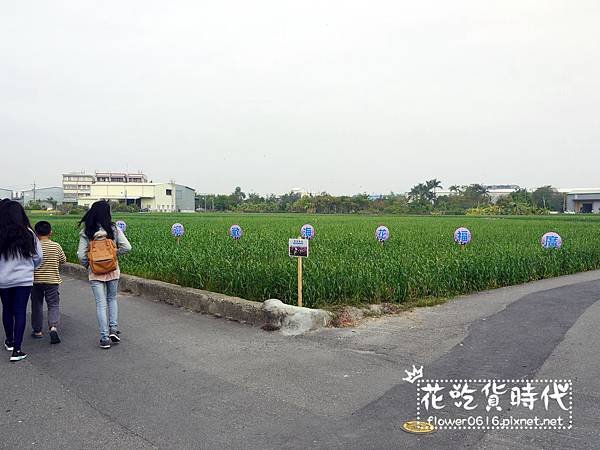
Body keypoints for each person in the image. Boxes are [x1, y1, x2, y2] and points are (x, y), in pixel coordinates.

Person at [77, 200, 131, 349]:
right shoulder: (113, 229)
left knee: (100, 304)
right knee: (112, 299)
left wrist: (89, 264)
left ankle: (104, 337)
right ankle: (113, 329)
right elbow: (127, 247)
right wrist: (114, 255)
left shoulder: (87, 231)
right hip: (113, 270)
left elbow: (80, 255)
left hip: (95, 272)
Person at [0, 201, 43, 362]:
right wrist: (30, 267)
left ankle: (9, 341)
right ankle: (17, 350)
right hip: (23, 280)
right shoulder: (29, 233)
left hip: (3, 279)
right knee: (20, 312)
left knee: (7, 309)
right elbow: (39, 257)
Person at [31, 221, 66, 344]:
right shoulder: (56, 246)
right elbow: (63, 259)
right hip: (52, 280)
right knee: (53, 304)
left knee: (37, 304)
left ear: (36, 233)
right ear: (50, 232)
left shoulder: (33, 246)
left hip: (35, 280)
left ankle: (37, 330)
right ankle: (53, 327)